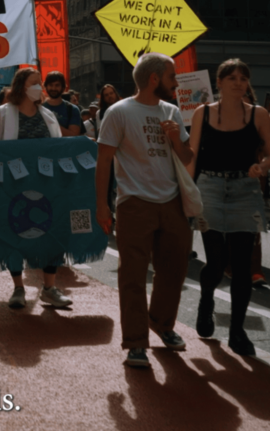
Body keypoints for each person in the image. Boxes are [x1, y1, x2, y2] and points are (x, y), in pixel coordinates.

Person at [95, 53, 193, 369]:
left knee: (175, 271)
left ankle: (162, 323)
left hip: (173, 202)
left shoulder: (172, 111)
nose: (176, 82)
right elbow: (104, 161)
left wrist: (176, 137)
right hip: (134, 202)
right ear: (155, 79)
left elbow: (188, 157)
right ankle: (136, 343)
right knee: (133, 275)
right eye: (172, 76)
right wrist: (102, 205)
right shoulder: (119, 112)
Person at [187, 59, 270, 357]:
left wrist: (261, 167)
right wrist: (186, 191)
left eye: (243, 78)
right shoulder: (203, 112)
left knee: (242, 266)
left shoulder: (258, 114)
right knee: (215, 261)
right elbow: (193, 155)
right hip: (209, 189)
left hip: (245, 191)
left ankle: (237, 331)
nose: (238, 82)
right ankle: (206, 301)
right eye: (232, 78)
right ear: (220, 82)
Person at [0, 68, 72, 310]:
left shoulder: (48, 116)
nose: (39, 87)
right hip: (13, 189)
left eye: (39, 83)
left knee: (51, 236)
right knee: (14, 237)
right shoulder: (3, 114)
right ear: (21, 86)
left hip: (45, 187)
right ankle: (18, 288)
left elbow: (58, 149)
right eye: (34, 83)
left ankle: (49, 289)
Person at [43, 72, 84, 137]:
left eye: (57, 85)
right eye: (50, 85)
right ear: (46, 86)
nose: (53, 88)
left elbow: (74, 136)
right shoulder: (37, 107)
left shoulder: (72, 109)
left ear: (63, 87)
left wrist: (51, 123)